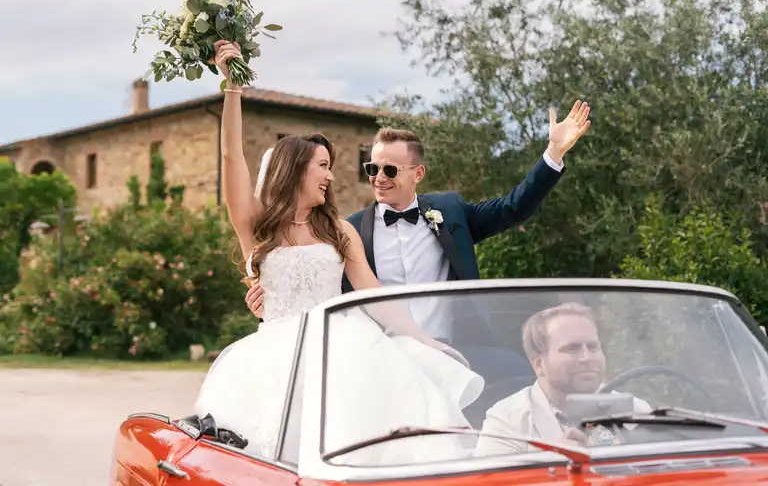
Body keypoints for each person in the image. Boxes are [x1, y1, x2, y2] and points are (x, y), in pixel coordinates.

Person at [193, 40, 484, 464]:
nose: (331, 175)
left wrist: (425, 341)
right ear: (295, 170)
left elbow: (374, 296)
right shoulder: (257, 227)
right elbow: (231, 156)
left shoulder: (340, 231)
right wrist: (232, 89)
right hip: (275, 356)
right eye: (323, 165)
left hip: (343, 349)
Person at [245, 99, 592, 383]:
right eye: (372, 169)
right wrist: (266, 301)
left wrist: (553, 153)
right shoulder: (345, 232)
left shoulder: (451, 212)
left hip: (457, 349)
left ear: (418, 174)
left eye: (390, 170)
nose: (379, 178)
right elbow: (310, 285)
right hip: (382, 354)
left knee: (520, 377)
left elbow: (514, 208)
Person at [473, 303, 651, 456]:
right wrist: (552, 464)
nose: (586, 357)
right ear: (538, 363)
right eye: (571, 349)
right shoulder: (507, 423)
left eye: (593, 347)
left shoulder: (635, 409)